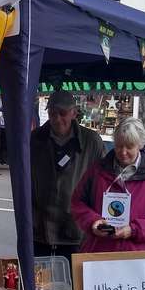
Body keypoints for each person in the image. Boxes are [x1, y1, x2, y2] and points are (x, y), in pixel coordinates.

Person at [71, 117, 145, 252]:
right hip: (98, 253)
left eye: (129, 147)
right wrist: (93, 221)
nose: (123, 152)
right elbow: (78, 202)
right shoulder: (97, 170)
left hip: (136, 258)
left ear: (140, 145)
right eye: (118, 146)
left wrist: (134, 230)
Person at [31, 90, 104, 262]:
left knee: (74, 285)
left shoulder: (91, 141)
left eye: (62, 113)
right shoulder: (34, 139)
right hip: (40, 229)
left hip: (76, 229)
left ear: (74, 113)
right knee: (41, 285)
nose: (57, 119)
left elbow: (102, 182)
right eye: (52, 113)